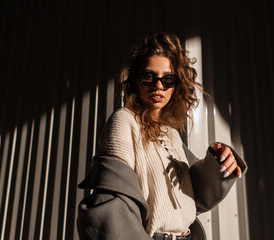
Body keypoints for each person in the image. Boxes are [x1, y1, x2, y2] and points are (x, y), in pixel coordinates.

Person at [77, 33, 247, 240]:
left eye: (168, 79)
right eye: (148, 77)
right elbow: (112, 203)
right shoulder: (124, 120)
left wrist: (219, 161)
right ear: (134, 81)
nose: (158, 86)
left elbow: (194, 196)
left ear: (176, 85)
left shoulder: (172, 134)